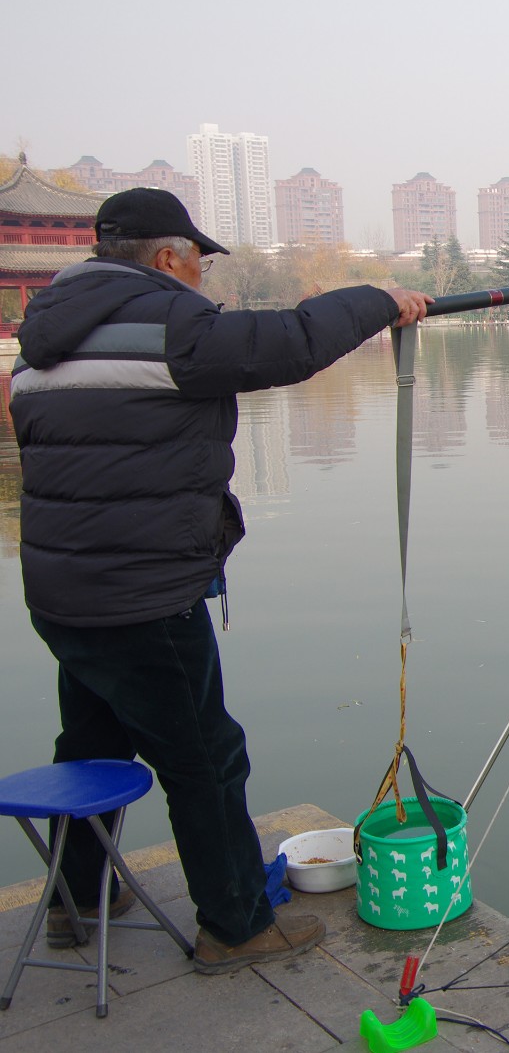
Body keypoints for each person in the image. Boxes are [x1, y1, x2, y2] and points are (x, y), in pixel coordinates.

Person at [9, 187, 431, 974]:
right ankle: (236, 926)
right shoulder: (168, 326)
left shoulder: (42, 344)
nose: (202, 277)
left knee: (92, 743)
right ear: (169, 258)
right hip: (142, 598)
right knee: (205, 758)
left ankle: (76, 898)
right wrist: (380, 298)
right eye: (199, 262)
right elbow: (291, 341)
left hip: (63, 595)